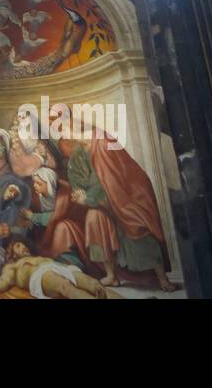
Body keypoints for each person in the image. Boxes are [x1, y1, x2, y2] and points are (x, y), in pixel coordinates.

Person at [51, 103, 175, 290]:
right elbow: (77, 178)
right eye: (60, 131)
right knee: (93, 218)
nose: (64, 134)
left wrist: (90, 198)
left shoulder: (102, 140)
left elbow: (112, 179)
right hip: (103, 202)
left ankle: (161, 277)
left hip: (126, 197)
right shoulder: (77, 153)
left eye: (64, 128)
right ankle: (111, 274)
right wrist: (79, 194)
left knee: (135, 224)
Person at [0, 241, 116, 299]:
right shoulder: (12, 266)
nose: (23, 247)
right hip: (40, 275)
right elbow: (2, 282)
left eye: (24, 245)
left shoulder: (37, 256)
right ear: (11, 253)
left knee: (93, 284)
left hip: (60, 268)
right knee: (65, 286)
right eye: (18, 246)